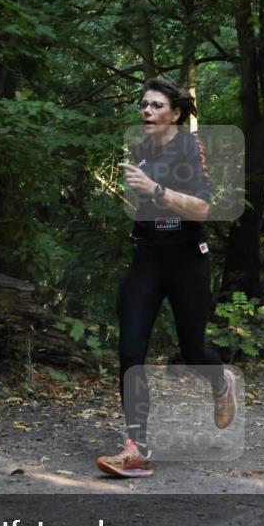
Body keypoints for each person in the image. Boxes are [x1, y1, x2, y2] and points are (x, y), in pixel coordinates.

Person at [96, 78, 237, 478]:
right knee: (130, 351)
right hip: (147, 259)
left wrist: (157, 191)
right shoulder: (139, 152)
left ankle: (220, 382)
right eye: (143, 105)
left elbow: (203, 210)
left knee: (193, 352)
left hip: (187, 260)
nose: (146, 111)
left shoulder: (191, 150)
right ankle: (136, 448)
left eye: (156, 105)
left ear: (175, 114)